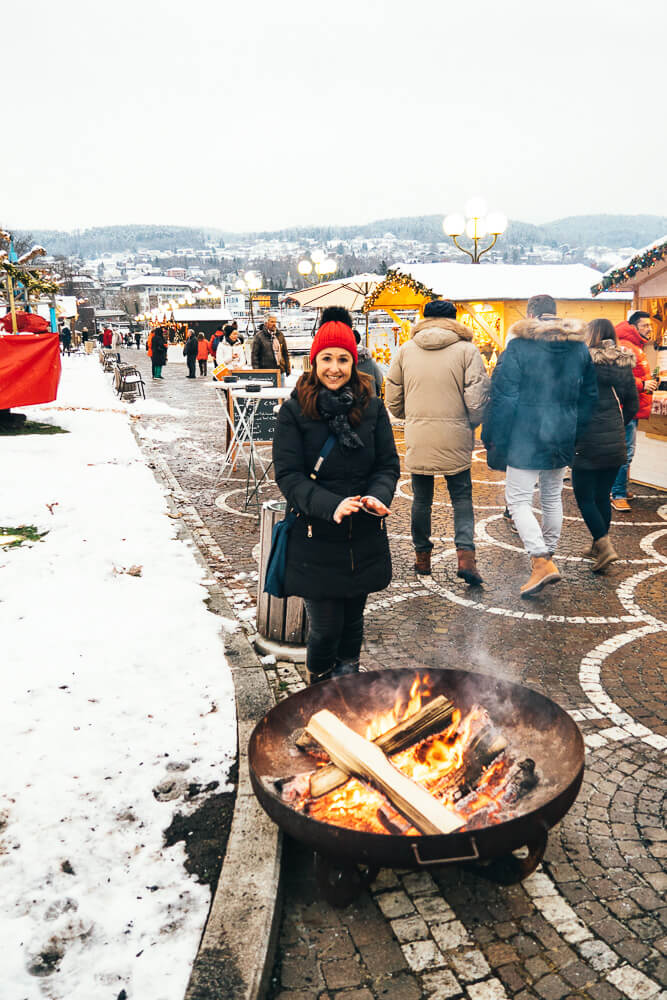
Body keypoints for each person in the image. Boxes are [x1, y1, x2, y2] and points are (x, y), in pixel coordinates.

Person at [273, 316, 400, 685]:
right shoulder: (294, 411)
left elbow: (386, 465)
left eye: (342, 359)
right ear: (314, 362)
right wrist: (332, 505)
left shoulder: (372, 408)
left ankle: (349, 689)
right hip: (315, 534)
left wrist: (377, 496)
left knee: (354, 622)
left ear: (353, 362)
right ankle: (319, 688)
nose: (334, 368)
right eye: (326, 358)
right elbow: (289, 476)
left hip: (363, 532)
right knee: (327, 626)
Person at [482, 294, 598, 597]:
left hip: (525, 435)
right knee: (551, 497)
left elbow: (504, 398)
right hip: (561, 433)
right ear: (555, 315)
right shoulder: (578, 347)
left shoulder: (519, 347)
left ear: (531, 316)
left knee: (518, 500)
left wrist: (495, 437)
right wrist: (575, 428)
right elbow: (590, 397)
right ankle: (548, 556)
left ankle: (541, 560)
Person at [385, 299, 490, 585]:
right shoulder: (468, 350)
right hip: (456, 434)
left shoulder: (406, 351)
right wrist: (470, 422)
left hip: (420, 435)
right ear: (455, 320)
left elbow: (393, 400)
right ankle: (466, 557)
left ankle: (422, 558)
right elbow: (477, 400)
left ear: (424, 318)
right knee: (462, 498)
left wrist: (414, 415)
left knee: (421, 500)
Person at [572, 319, 639, 572]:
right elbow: (632, 403)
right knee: (602, 495)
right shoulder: (623, 362)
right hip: (614, 440)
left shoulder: (581, 361)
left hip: (586, 440)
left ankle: (604, 545)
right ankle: (596, 546)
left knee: (584, 497)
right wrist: (618, 426)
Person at [610, 311, 659, 511]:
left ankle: (619, 488)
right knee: (625, 453)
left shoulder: (634, 346)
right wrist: (643, 384)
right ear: (634, 326)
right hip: (625, 408)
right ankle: (618, 493)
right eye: (645, 325)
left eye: (650, 326)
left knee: (626, 452)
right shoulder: (626, 346)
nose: (649, 329)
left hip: (631, 406)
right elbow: (619, 377)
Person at [353, 326, 384, 396]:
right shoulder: (370, 362)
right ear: (359, 340)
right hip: (370, 401)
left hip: (352, 403)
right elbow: (380, 380)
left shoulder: (346, 362)